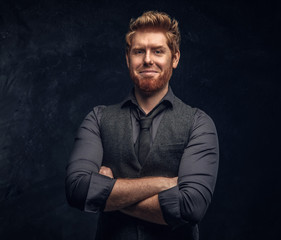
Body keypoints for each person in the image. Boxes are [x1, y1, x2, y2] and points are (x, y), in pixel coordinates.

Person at [65, 11, 219, 240]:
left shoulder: (199, 123)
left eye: (158, 51)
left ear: (174, 58)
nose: (148, 59)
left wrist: (107, 192)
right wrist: (164, 184)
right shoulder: (98, 119)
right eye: (139, 51)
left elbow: (190, 207)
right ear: (128, 58)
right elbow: (78, 190)